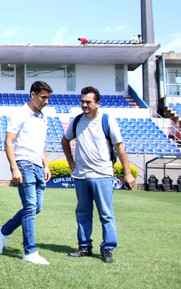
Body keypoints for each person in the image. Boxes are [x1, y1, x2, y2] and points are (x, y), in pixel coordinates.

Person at [61, 86, 135, 264]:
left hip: (102, 175)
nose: (85, 105)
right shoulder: (77, 121)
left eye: (89, 102)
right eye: (83, 101)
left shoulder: (107, 121)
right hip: (81, 176)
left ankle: (107, 249)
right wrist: (70, 161)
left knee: (106, 214)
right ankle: (84, 247)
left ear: (98, 103)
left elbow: (120, 148)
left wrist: (128, 173)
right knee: (83, 213)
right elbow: (65, 140)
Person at [0, 80, 53, 265]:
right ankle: (30, 251)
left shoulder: (42, 117)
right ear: (33, 95)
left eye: (48, 98)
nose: (46, 101)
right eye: (43, 97)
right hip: (24, 164)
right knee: (29, 207)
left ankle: (3, 231)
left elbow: (41, 144)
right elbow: (8, 142)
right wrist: (14, 167)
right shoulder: (20, 114)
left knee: (37, 208)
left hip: (37, 165)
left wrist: (46, 165)